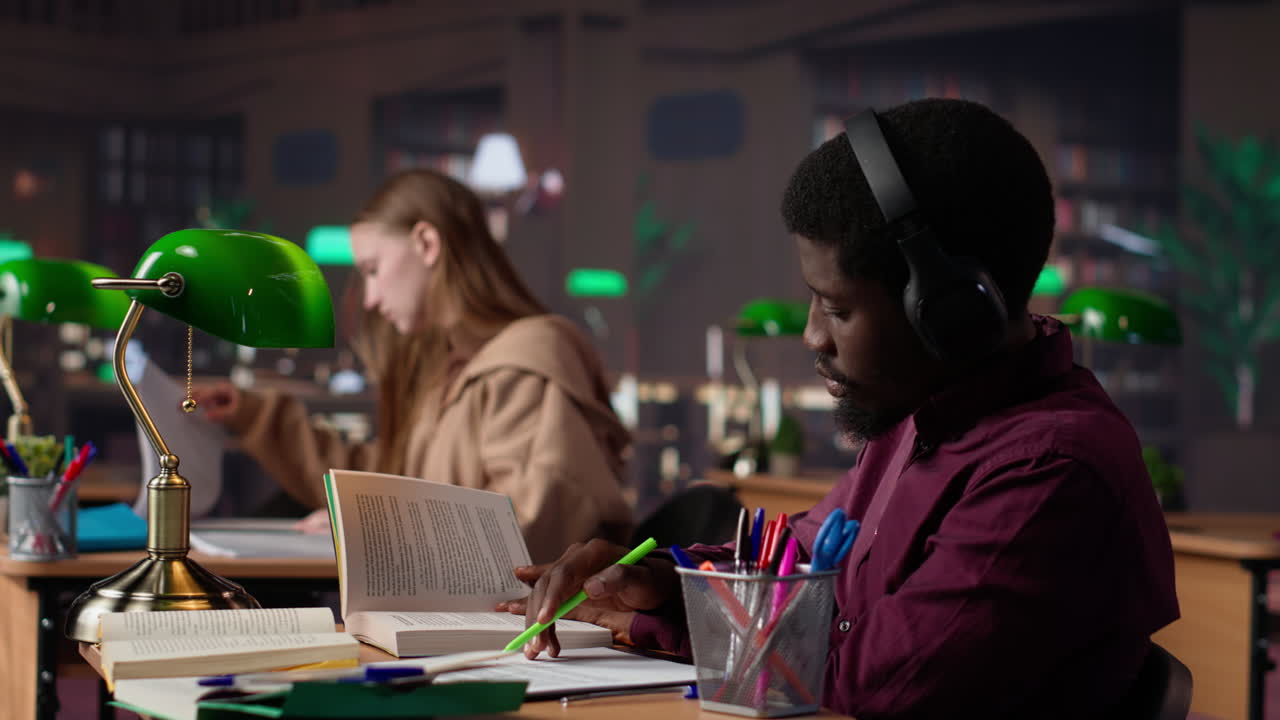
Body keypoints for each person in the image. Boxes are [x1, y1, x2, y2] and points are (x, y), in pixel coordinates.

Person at [498, 99, 1178, 718]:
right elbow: (793, 565)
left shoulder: (1051, 473)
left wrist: (686, 618)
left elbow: (875, 686)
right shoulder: (922, 415)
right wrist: (657, 586)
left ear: (950, 312)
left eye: (839, 307)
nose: (812, 336)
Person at [192, 169, 634, 563]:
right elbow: (388, 480)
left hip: (511, 639)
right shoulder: (452, 369)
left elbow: (531, 529)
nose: (369, 298)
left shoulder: (526, 360)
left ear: (427, 243)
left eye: (372, 268)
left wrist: (374, 532)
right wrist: (256, 415)